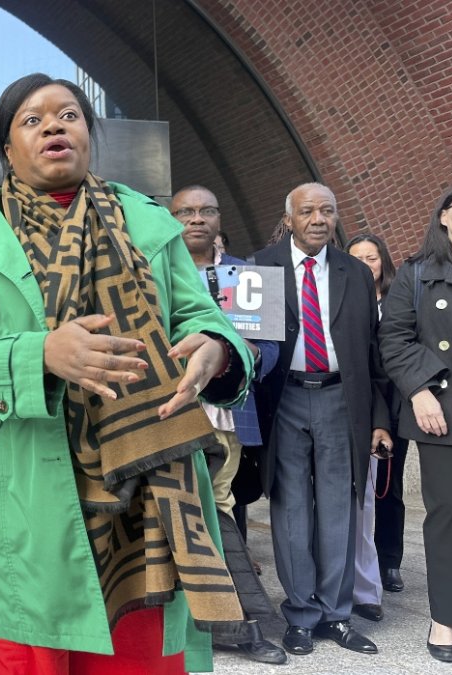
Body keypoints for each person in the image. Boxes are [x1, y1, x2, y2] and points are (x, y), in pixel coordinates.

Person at [0, 73, 250, 675]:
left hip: (146, 499)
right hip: (19, 491)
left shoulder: (147, 221)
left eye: (69, 114)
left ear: (88, 134)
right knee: (28, 657)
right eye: (32, 119)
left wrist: (216, 347)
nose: (54, 125)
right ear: (8, 150)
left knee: (139, 658)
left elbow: (201, 315)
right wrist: (41, 355)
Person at [251, 183, 391, 657]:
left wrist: (379, 418)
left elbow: (373, 352)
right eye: (307, 211)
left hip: (341, 399)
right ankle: (300, 615)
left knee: (339, 508)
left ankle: (336, 614)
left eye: (327, 211)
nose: (318, 219)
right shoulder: (260, 266)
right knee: (290, 507)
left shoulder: (355, 271)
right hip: (284, 398)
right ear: (288, 219)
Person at [170, 185, 285, 665]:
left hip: (229, 414)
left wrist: (247, 354)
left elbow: (272, 348)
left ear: (219, 218)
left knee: (218, 503)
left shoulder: (248, 274)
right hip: (171, 412)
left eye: (207, 211)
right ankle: (225, 619)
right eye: (186, 211)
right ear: (171, 218)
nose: (197, 218)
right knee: (187, 511)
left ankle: (231, 619)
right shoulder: (154, 270)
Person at [378, 178, 452, 663]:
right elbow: (394, 338)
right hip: (445, 414)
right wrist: (419, 391)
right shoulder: (418, 273)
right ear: (444, 216)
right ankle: (445, 619)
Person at [347, 233, 407, 596]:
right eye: (358, 258)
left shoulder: (399, 299)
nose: (366, 265)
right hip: (358, 402)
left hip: (394, 403)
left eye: (372, 258)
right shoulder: (343, 298)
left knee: (388, 486)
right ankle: (355, 561)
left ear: (383, 261)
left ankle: (389, 560)